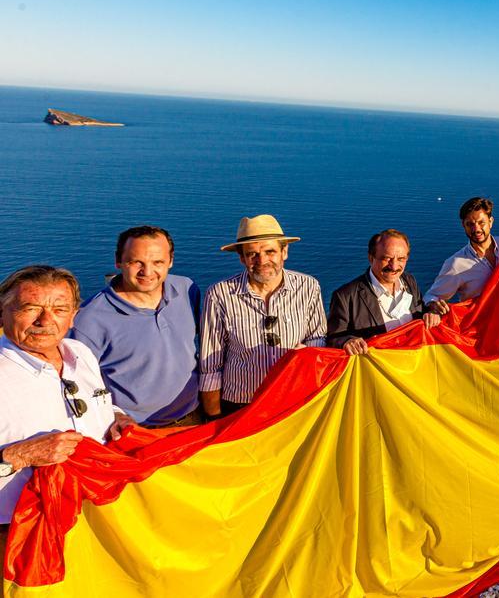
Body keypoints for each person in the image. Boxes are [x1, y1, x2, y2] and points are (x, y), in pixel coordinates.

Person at [0, 266, 137, 547]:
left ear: (74, 316)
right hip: (16, 534)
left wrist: (119, 419)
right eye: (30, 307)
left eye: (60, 309)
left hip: (91, 518)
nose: (45, 320)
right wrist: (16, 457)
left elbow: (101, 404)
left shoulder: (81, 353)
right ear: (3, 312)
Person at [71, 226, 203, 428]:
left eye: (157, 262)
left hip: (193, 419)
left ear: (171, 261)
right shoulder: (89, 319)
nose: (147, 272)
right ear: (119, 261)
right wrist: (113, 416)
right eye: (136, 262)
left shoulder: (186, 289)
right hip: (135, 429)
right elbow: (79, 383)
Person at [199, 215, 326, 419]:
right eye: (252, 254)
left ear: (284, 252)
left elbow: (317, 339)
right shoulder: (220, 294)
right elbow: (210, 363)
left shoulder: (308, 287)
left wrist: (305, 356)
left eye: (270, 251)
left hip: (293, 398)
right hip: (241, 404)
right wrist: (214, 419)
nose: (262, 261)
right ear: (242, 258)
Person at [328, 229, 440, 354]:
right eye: (387, 258)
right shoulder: (345, 296)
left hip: (413, 367)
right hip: (376, 371)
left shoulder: (410, 281)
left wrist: (432, 312)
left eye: (401, 259)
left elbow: (421, 314)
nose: (394, 266)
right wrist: (346, 341)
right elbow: (333, 339)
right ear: (371, 258)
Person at [425, 197, 499, 313]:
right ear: (463, 225)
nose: (476, 229)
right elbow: (432, 296)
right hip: (482, 328)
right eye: (470, 224)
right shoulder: (456, 264)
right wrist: (433, 305)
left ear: (490, 222)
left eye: (481, 222)